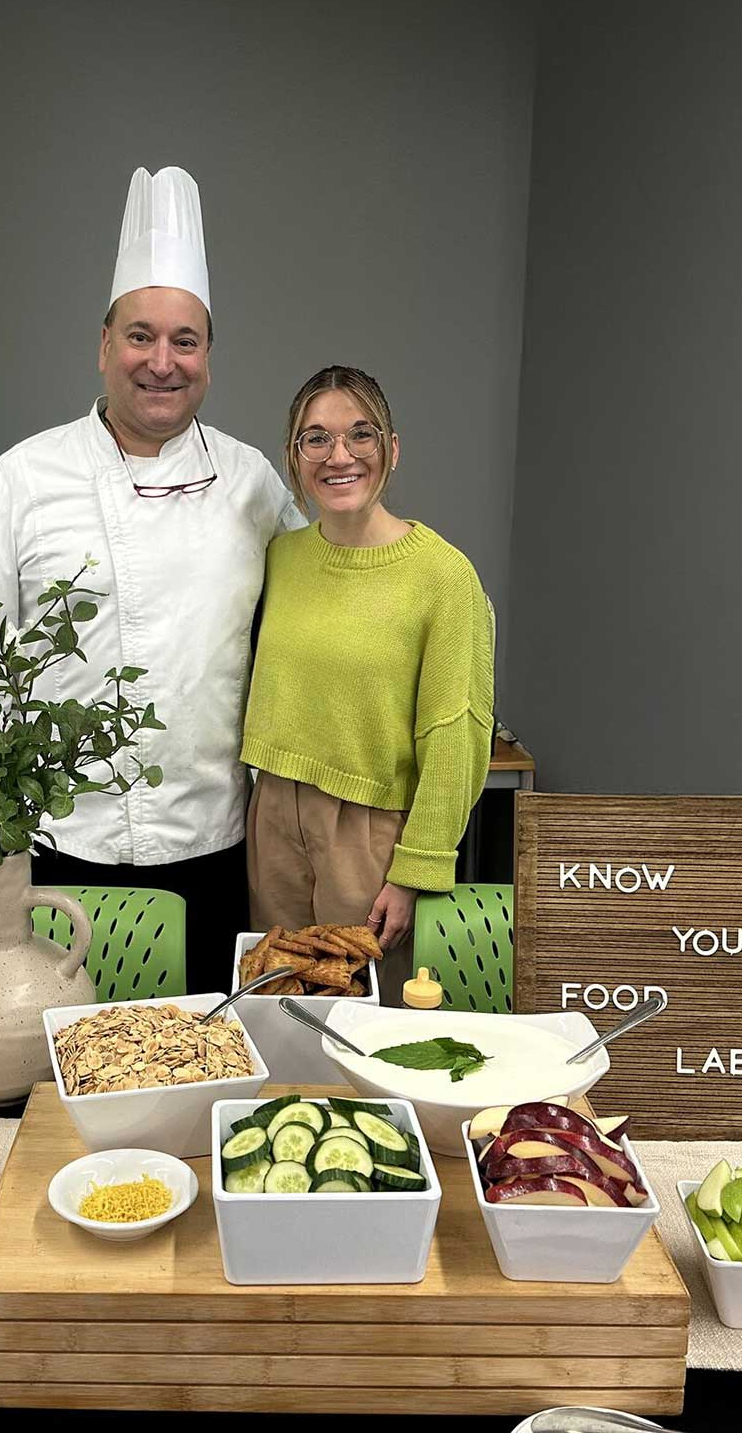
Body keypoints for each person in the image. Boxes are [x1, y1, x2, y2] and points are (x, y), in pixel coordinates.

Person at [0, 167, 304, 991]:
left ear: (209, 355)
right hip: (58, 842)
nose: (162, 362)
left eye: (185, 340)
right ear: (103, 345)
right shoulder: (23, 478)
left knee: (197, 1060)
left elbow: (311, 623)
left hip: (213, 842)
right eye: (140, 336)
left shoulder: (253, 483)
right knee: (54, 1059)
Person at [240, 366, 494, 1004]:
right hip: (273, 815)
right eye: (315, 438)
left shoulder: (442, 576)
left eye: (361, 434)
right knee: (277, 1006)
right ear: (294, 457)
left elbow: (456, 732)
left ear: (392, 448)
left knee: (360, 1017)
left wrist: (415, 870)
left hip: (369, 833)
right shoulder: (282, 558)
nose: (339, 455)